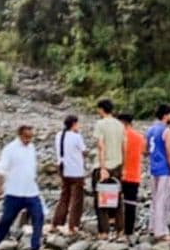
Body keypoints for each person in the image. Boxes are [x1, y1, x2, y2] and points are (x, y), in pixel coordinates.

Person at [0, 125, 44, 250]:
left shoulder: (31, 148)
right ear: (20, 135)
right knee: (7, 219)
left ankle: (35, 246)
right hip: (14, 191)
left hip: (31, 191)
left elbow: (31, 168)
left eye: (30, 137)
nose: (28, 140)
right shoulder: (10, 149)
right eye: (26, 137)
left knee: (38, 217)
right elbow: (1, 169)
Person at [92, 98, 125, 238]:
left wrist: (103, 167)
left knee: (101, 200)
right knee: (117, 198)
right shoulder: (120, 125)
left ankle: (103, 231)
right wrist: (123, 165)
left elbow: (101, 146)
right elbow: (124, 146)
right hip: (117, 165)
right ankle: (120, 230)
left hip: (103, 166)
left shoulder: (100, 124)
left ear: (101, 109)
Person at [146, 104, 170, 242]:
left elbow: (145, 150)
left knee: (155, 199)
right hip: (164, 169)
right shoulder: (166, 131)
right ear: (166, 115)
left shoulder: (150, 130)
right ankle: (161, 232)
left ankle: (153, 226)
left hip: (153, 167)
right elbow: (168, 153)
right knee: (163, 200)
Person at [51, 115, 86, 235]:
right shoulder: (77, 137)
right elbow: (83, 150)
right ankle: (73, 225)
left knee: (64, 196)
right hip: (76, 170)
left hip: (63, 168)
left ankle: (56, 222)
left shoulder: (59, 135)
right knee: (76, 199)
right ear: (74, 124)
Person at [119, 113, 145, 237]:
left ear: (123, 123)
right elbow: (144, 152)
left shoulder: (119, 136)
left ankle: (117, 229)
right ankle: (129, 231)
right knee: (130, 203)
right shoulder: (139, 137)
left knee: (115, 203)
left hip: (119, 173)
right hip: (134, 174)